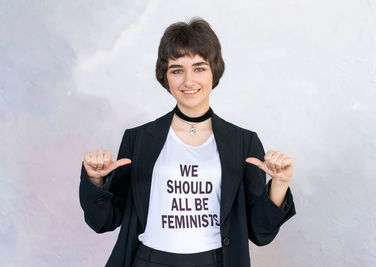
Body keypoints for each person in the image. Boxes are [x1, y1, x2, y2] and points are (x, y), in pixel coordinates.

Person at [79, 17, 296, 267]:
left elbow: (260, 232)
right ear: (165, 76)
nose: (188, 81)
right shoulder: (138, 140)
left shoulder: (243, 143)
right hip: (148, 260)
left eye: (199, 68)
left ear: (214, 71)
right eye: (177, 70)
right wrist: (95, 181)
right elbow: (103, 221)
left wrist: (279, 185)